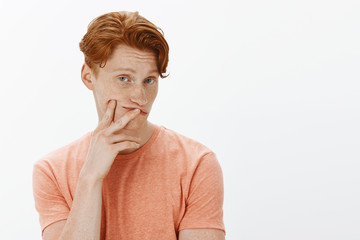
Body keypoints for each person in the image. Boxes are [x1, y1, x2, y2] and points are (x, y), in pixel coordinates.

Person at [32, 11, 225, 240]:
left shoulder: (196, 164)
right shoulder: (52, 171)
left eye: (149, 81)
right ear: (87, 77)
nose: (140, 98)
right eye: (124, 78)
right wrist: (90, 177)